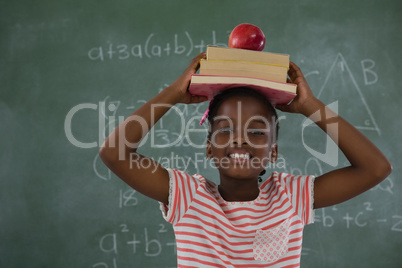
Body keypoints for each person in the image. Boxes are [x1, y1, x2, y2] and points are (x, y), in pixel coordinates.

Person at [99, 52, 391, 267]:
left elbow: (375, 168)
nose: (240, 139)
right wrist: (174, 93)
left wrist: (309, 106)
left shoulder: (290, 196)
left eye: (256, 131)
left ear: (273, 151)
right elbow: (114, 153)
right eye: (225, 130)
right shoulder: (188, 196)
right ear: (209, 148)